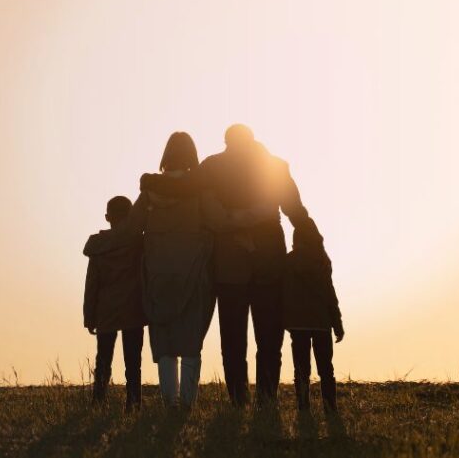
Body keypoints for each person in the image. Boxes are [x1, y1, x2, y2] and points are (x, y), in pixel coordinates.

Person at [142, 124, 318, 407]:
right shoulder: (275, 167)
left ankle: (238, 398)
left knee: (234, 340)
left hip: (229, 265)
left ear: (227, 141)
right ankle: (266, 396)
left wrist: (150, 181)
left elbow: (182, 186)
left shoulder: (214, 165)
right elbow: (296, 211)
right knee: (269, 338)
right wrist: (315, 244)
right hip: (268, 261)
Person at [139, 132, 246, 410]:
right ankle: (186, 404)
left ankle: (169, 403)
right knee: (190, 341)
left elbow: (129, 228)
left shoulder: (150, 190)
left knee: (164, 340)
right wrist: (248, 219)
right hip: (194, 274)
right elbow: (219, 221)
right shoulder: (200, 191)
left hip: (158, 275)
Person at [83, 195, 148, 411]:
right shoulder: (138, 241)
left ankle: (99, 400)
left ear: (107, 217)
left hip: (106, 310)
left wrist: (89, 315)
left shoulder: (98, 246)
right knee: (133, 361)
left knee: (103, 359)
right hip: (133, 307)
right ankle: (134, 401)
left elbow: (92, 284)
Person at [283, 217, 344, 411]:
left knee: (301, 369)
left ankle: (303, 406)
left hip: (298, 323)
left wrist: (283, 319)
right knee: (326, 368)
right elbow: (330, 295)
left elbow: (281, 293)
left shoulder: (287, 262)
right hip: (321, 323)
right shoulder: (321, 262)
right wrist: (337, 323)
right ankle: (330, 406)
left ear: (296, 241)